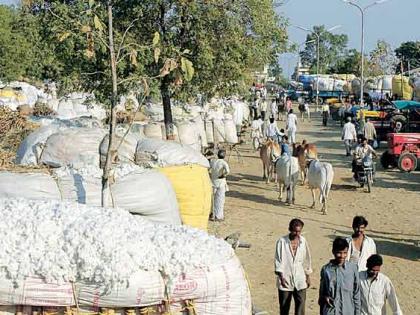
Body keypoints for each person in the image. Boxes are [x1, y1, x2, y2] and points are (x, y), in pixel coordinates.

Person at [275, 219, 312, 315]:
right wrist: (281, 277)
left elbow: (307, 260)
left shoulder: (303, 241)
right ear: (290, 229)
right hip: (285, 279)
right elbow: (278, 261)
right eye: (295, 231)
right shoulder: (282, 242)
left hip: (300, 279)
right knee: (284, 307)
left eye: (299, 231)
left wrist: (307, 277)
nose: (297, 233)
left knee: (300, 306)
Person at [319, 237, 361, 315]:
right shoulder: (326, 270)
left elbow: (356, 294)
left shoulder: (353, 269)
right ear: (333, 252)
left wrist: (357, 313)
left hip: (348, 311)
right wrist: (325, 298)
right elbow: (322, 294)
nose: (342, 256)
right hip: (331, 311)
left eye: (345, 253)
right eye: (339, 252)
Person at [209, 150, 230, 222]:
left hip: (213, 182)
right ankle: (218, 216)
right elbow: (227, 171)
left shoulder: (213, 162)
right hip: (221, 183)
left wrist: (211, 176)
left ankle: (212, 214)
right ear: (224, 156)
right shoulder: (224, 163)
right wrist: (222, 176)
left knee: (212, 199)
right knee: (220, 199)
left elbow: (208, 169)